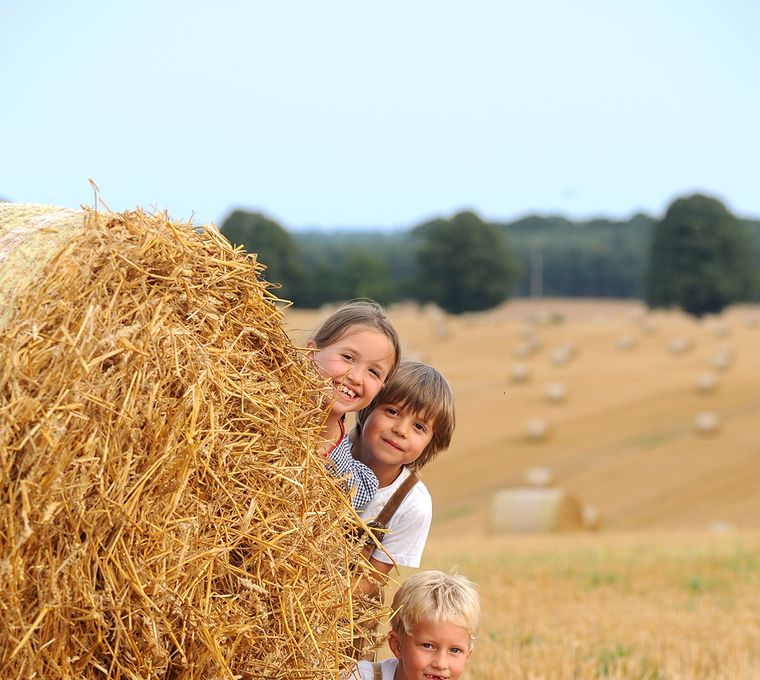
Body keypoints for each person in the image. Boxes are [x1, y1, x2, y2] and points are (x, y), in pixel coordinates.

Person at [352, 360, 455, 594]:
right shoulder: (327, 448)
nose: (401, 429)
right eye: (392, 412)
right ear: (367, 406)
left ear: (430, 445)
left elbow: (370, 582)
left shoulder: (412, 504)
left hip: (337, 615)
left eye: (419, 427)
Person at [307, 299, 401, 509]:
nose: (357, 377)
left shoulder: (353, 483)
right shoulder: (257, 410)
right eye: (348, 357)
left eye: (374, 372)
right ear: (311, 353)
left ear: (380, 388)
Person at [351, 570, 480, 680]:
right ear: (397, 646)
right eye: (428, 646)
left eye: (455, 650)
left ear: (468, 655)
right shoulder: (360, 676)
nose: (441, 664)